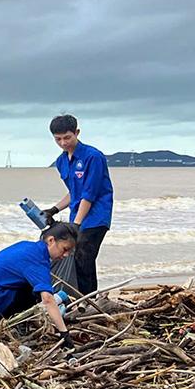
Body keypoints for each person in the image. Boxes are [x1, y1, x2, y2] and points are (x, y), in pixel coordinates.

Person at [0, 223, 78, 345]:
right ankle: (13, 324)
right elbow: (48, 299)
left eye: (69, 252)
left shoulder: (29, 247)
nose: (65, 255)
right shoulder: (37, 260)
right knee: (34, 291)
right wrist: (64, 334)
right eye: (64, 249)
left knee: (34, 288)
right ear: (51, 240)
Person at [42, 114, 113, 296]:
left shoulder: (93, 157)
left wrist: (77, 224)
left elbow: (89, 194)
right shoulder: (61, 162)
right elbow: (74, 193)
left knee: (84, 259)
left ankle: (89, 300)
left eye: (67, 137)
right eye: (58, 139)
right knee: (74, 259)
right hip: (78, 217)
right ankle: (78, 298)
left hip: (96, 218)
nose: (63, 143)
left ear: (77, 132)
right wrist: (54, 209)